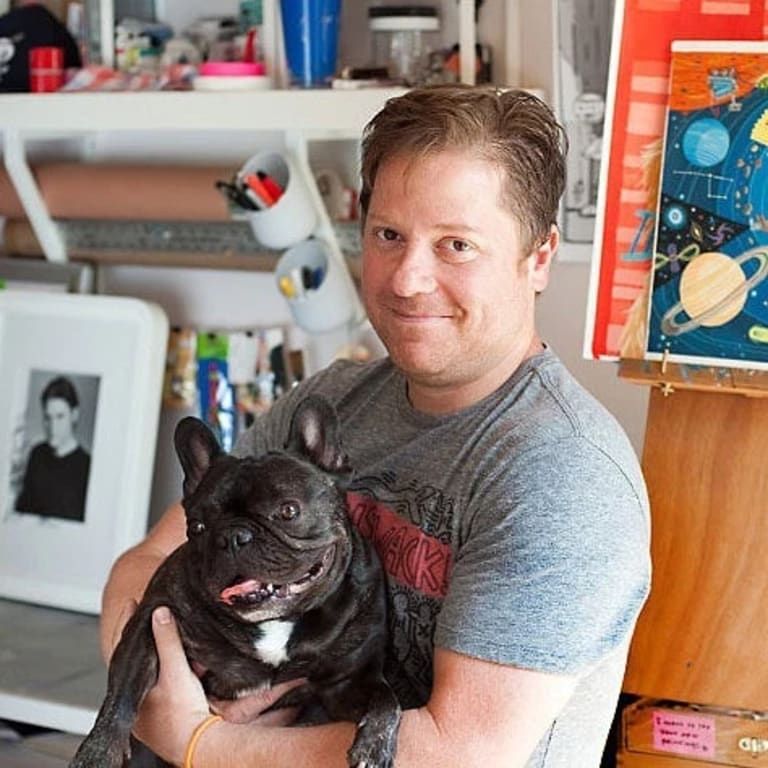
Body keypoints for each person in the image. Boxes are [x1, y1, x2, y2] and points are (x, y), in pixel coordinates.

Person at [100, 85, 651, 768]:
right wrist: (155, 699)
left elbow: (459, 753)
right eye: (390, 236)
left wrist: (196, 740)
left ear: (537, 258)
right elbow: (146, 564)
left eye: (456, 245)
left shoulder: (561, 476)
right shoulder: (335, 399)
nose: (409, 279)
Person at [15, 375, 91, 521]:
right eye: (47, 418)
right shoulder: (37, 454)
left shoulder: (86, 466)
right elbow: (21, 511)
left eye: (60, 417)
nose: (53, 427)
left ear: (74, 415)